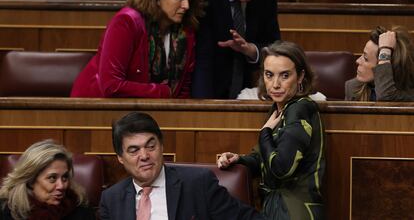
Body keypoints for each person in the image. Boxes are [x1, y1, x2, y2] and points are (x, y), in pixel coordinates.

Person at [217, 40, 325, 219]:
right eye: (269, 75)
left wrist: (264, 133)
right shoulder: (279, 108)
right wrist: (239, 160)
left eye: (284, 75)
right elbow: (263, 157)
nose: (275, 84)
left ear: (300, 76)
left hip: (295, 211)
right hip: (278, 207)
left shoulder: (300, 108)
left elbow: (281, 168)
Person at [70, 0, 204, 98]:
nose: (186, 5)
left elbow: (184, 87)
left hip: (153, 111)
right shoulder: (127, 21)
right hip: (97, 106)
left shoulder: (186, 32)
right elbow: (112, 85)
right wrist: (163, 92)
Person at [100, 111, 265, 220]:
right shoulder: (111, 199)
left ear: (162, 146)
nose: (144, 156)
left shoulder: (198, 184)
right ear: (120, 158)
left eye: (151, 146)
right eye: (134, 150)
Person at [192, 0, 281, 99]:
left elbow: (274, 43)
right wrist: (204, 107)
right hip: (209, 81)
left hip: (248, 87)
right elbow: (202, 55)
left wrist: (251, 50)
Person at [0, 139, 95, 219]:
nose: (61, 186)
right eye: (52, 178)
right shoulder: (7, 212)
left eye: (65, 177)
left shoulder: (81, 211)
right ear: (30, 181)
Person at [345, 26, 414, 101]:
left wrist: (385, 50)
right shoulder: (353, 87)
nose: (357, 61)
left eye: (366, 58)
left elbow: (386, 97)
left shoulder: (409, 93)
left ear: (388, 67)